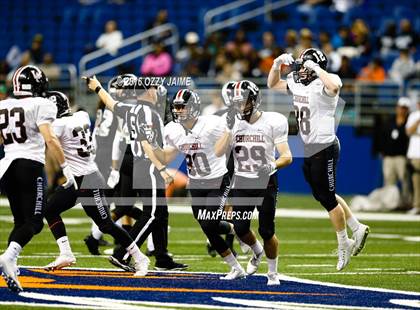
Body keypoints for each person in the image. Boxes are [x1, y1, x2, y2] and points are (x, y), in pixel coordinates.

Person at [267, 48, 370, 271]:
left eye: (306, 66)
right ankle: (356, 226)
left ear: (316, 67)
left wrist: (316, 67)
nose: (302, 70)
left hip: (325, 146)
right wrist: (276, 65)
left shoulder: (325, 82)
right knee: (322, 194)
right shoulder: (297, 82)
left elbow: (335, 86)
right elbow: (272, 84)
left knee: (328, 198)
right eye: (302, 66)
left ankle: (344, 243)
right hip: (309, 147)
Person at [83, 74, 187, 271]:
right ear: (148, 91)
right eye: (155, 89)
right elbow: (148, 145)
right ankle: (123, 253)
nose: (158, 92)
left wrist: (96, 87)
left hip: (139, 163)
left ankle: (162, 257)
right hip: (148, 165)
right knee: (152, 214)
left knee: (161, 213)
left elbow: (111, 103)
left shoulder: (132, 109)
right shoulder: (148, 113)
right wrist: (163, 168)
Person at [141, 89, 246, 279]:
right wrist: (151, 143)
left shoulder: (212, 123)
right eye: (176, 107)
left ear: (193, 107)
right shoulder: (173, 129)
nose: (178, 111)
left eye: (182, 107)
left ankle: (237, 231)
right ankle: (236, 266)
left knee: (209, 221)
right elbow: (165, 157)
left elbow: (229, 145)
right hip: (196, 183)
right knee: (207, 227)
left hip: (217, 180)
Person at [42, 91, 149, 277]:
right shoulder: (81, 116)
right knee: (50, 209)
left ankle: (140, 258)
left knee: (106, 224)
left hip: (89, 179)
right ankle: (66, 254)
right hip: (77, 179)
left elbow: (49, 139)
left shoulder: (58, 125)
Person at [0, 65, 76, 292]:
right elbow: (50, 139)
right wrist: (65, 167)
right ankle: (8, 257)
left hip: (6, 167)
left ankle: (11, 263)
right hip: (30, 166)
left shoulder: (3, 105)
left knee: (20, 221)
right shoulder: (42, 104)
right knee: (34, 222)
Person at [214, 80, 293, 285]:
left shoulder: (273, 121)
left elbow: (287, 156)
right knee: (240, 228)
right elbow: (218, 151)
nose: (240, 106)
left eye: (244, 101)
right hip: (242, 182)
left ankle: (273, 273)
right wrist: (229, 129)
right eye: (236, 102)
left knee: (267, 230)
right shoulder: (231, 122)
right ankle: (257, 252)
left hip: (266, 181)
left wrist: (272, 165)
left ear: (255, 100)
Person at [374, 97, 410, 205]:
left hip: (402, 156)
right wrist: (382, 151)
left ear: (407, 109)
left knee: (404, 180)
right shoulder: (389, 121)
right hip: (389, 156)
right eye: (400, 107)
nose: (402, 110)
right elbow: (382, 137)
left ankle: (406, 203)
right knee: (389, 180)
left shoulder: (409, 123)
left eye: (404, 108)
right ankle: (389, 202)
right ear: (397, 108)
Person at [406, 100, 420, 214]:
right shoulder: (414, 116)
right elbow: (408, 131)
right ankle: (416, 205)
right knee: (416, 180)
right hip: (415, 153)